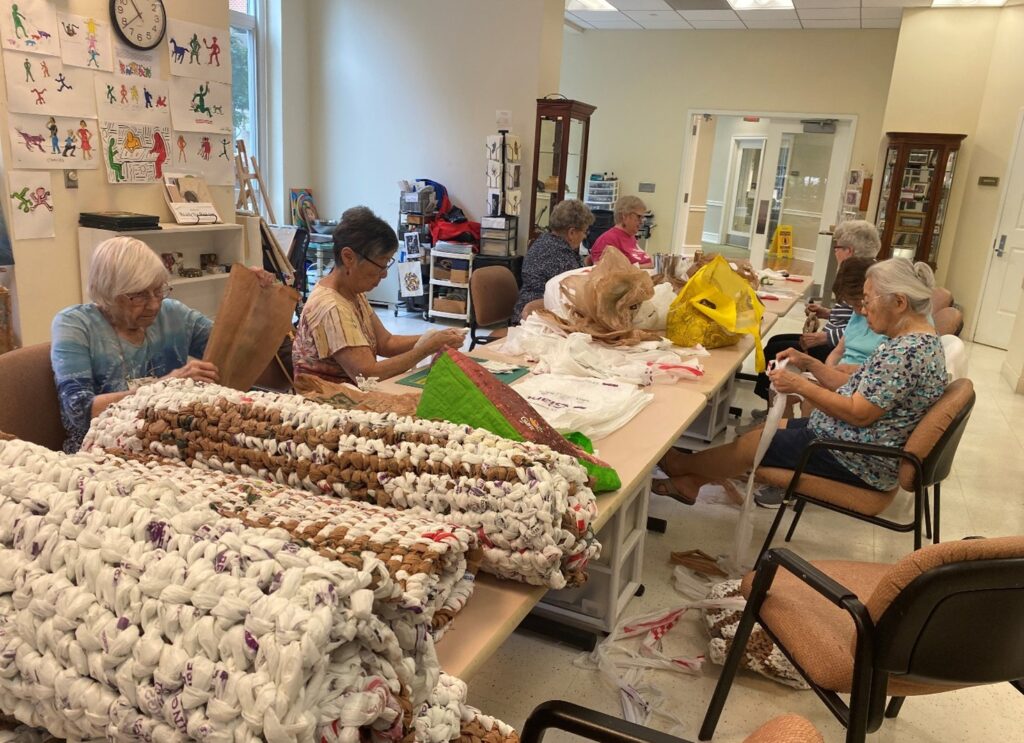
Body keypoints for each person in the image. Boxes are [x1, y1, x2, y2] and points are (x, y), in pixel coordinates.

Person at [654, 258, 946, 507]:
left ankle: (681, 467)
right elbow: (856, 387)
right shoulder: (917, 342)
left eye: (868, 301)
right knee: (762, 431)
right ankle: (690, 482)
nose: (864, 308)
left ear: (899, 302)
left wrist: (800, 385)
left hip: (856, 458)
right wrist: (809, 363)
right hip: (854, 441)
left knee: (753, 443)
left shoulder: (905, 353)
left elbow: (858, 412)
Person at [50, 237, 264, 453]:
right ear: (108, 293)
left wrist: (253, 298)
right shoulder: (75, 325)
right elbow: (79, 412)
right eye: (139, 295)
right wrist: (166, 385)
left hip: (171, 443)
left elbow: (235, 348)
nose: (153, 305)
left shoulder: (173, 314)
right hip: (101, 451)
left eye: (158, 291)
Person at [292, 206, 465, 384]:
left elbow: (386, 342)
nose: (384, 274)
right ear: (348, 257)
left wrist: (433, 338)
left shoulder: (351, 292)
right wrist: (425, 349)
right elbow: (367, 375)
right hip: (327, 404)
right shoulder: (331, 307)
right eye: (381, 264)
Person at [752, 220, 881, 404]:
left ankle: (771, 402)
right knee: (776, 341)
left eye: (838, 247)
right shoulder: (859, 273)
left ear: (849, 250)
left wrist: (825, 337)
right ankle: (770, 402)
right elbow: (852, 317)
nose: (835, 251)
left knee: (776, 348)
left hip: (841, 351)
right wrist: (827, 313)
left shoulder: (861, 278)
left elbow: (861, 324)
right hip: (839, 348)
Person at [512, 199, 594, 323]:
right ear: (571, 233)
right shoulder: (559, 253)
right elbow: (577, 291)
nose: (585, 236)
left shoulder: (547, 240)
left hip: (540, 310)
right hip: (535, 317)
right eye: (584, 231)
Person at [588, 195, 653, 267]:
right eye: (639, 216)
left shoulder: (631, 237)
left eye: (643, 217)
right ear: (624, 216)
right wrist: (642, 266)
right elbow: (603, 271)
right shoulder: (607, 240)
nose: (642, 221)